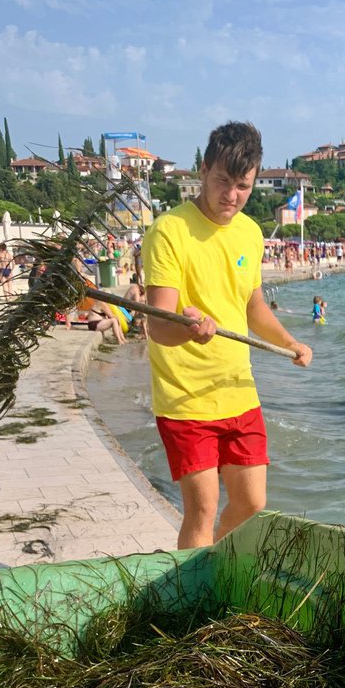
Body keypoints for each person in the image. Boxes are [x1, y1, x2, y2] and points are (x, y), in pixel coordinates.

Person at [142, 121, 311, 549]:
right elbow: (157, 324)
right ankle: (193, 604)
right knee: (201, 510)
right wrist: (188, 331)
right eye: (222, 181)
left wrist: (288, 342)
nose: (231, 196)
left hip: (239, 390)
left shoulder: (251, 233)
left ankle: (211, 562)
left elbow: (253, 306)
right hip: (185, 397)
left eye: (243, 186)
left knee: (253, 502)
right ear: (203, 170)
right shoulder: (170, 230)